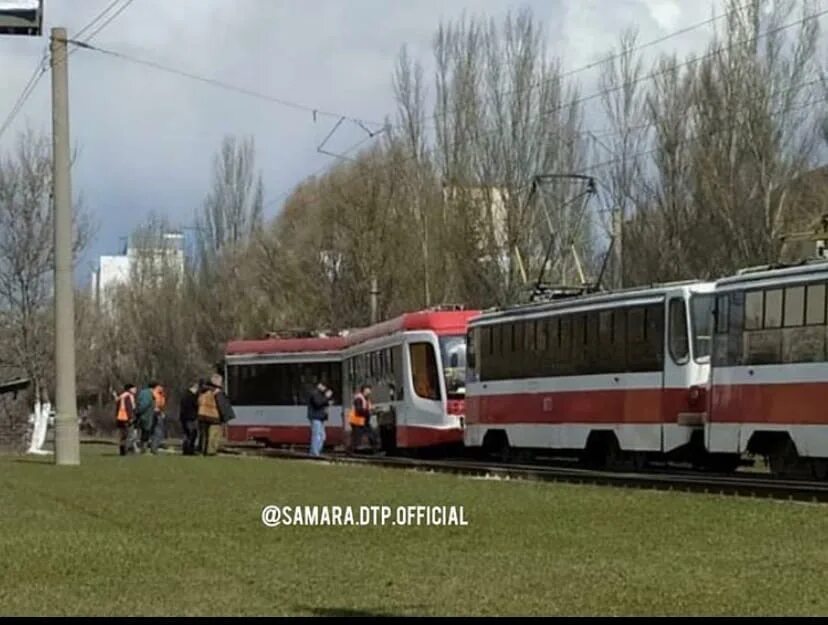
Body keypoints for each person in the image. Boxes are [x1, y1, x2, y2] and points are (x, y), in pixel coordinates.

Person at [198, 374, 234, 456]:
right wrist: (226, 417)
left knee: (204, 435)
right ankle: (211, 451)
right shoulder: (217, 392)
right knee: (214, 435)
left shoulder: (203, 391)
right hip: (214, 416)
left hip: (202, 414)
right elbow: (222, 405)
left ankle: (202, 450)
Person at [349, 384, 379, 453]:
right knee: (356, 438)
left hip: (364, 421)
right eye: (369, 390)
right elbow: (359, 410)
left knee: (372, 435)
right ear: (364, 390)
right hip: (357, 421)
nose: (370, 392)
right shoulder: (358, 398)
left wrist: (373, 410)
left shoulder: (366, 398)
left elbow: (367, 408)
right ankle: (350, 452)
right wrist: (368, 411)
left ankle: (375, 451)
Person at [307, 381, 332, 457]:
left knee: (322, 436)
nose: (325, 388)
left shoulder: (320, 394)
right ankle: (314, 453)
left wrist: (328, 402)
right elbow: (317, 403)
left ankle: (315, 451)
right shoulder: (314, 393)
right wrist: (327, 397)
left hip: (320, 417)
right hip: (315, 417)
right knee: (317, 435)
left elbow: (322, 403)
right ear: (319, 385)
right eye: (323, 386)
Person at [134, 382, 157, 454]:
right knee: (145, 433)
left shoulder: (142, 392)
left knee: (141, 433)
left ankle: (141, 449)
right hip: (146, 416)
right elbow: (144, 405)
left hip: (143, 416)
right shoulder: (148, 394)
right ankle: (143, 450)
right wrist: (139, 412)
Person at [114, 383, 137, 456]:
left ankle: (122, 451)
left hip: (119, 418)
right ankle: (127, 451)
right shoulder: (129, 396)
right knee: (130, 435)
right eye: (134, 388)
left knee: (122, 436)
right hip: (126, 418)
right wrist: (131, 418)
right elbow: (129, 408)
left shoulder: (121, 396)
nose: (135, 390)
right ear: (130, 389)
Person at [179, 381, 199, 455]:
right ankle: (190, 450)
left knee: (186, 434)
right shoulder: (192, 396)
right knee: (192, 434)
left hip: (184, 417)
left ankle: (185, 449)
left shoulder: (185, 394)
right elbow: (195, 405)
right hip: (190, 417)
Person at [151, 382, 167, 452]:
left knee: (156, 431)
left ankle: (155, 446)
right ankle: (154, 448)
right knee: (158, 431)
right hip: (156, 413)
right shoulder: (157, 394)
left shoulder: (159, 394)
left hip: (157, 412)